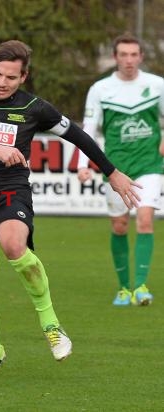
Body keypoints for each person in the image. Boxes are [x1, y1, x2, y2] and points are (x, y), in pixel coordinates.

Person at [0, 40, 140, 378]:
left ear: (24, 77)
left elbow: (77, 135)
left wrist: (112, 171)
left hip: (10, 193)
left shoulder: (34, 107)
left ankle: (51, 324)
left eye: (11, 77)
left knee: (13, 244)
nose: (2, 82)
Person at [77, 33, 164, 307]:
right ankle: (124, 288)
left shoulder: (157, 85)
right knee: (119, 225)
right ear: (115, 57)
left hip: (150, 163)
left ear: (141, 57)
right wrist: (82, 164)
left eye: (133, 54)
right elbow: (88, 129)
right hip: (115, 168)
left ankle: (140, 287)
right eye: (123, 55)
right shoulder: (100, 89)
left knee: (145, 220)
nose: (129, 60)